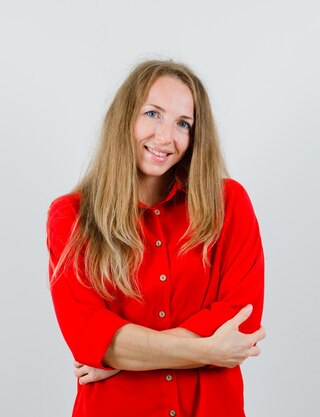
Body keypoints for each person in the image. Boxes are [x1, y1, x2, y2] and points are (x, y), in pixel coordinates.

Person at [46, 60, 265, 417]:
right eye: (152, 114)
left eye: (183, 123)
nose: (166, 136)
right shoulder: (70, 217)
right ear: (124, 118)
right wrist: (209, 350)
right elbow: (89, 334)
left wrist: (122, 358)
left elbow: (241, 320)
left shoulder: (228, 203)